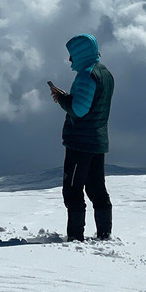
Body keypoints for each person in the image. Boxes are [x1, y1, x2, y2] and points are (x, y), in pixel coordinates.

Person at [48, 34, 115, 241]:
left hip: (80, 143)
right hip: (97, 141)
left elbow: (79, 109)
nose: (69, 60)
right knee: (97, 189)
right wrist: (67, 97)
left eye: (71, 55)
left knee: (72, 190)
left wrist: (61, 99)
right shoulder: (105, 73)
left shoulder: (87, 75)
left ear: (80, 54)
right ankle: (105, 235)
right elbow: (90, 105)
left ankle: (75, 238)